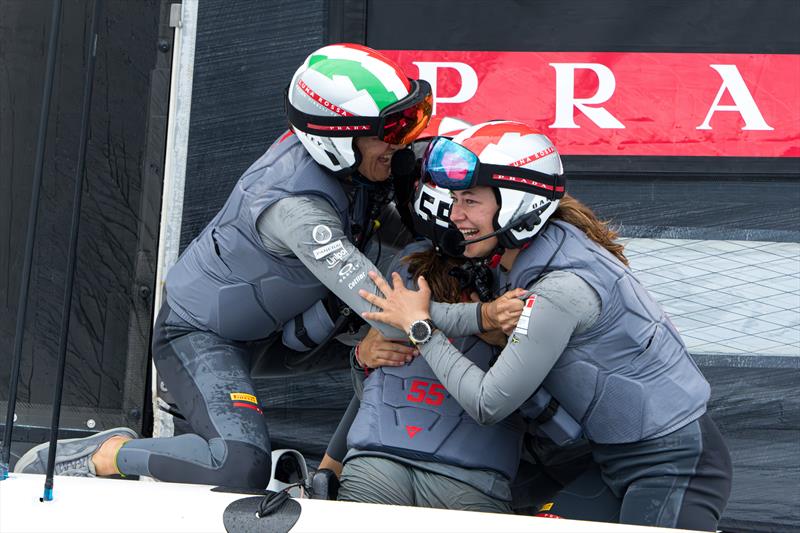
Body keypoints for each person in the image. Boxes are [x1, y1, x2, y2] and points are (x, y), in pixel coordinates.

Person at [14, 43, 444, 488]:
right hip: (200, 336)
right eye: (390, 130)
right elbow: (391, 313)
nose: (403, 142)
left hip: (274, 329)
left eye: (411, 122)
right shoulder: (299, 211)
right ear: (335, 140)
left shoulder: (352, 169)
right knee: (240, 465)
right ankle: (106, 455)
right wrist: (487, 318)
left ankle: (329, 472)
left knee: (392, 339)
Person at [357, 121, 733, 530]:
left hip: (675, 467)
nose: (456, 214)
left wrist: (420, 329)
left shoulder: (559, 288)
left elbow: (488, 402)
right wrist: (407, 314)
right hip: (615, 462)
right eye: (454, 198)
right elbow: (471, 315)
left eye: (469, 200)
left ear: (518, 203)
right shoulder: (529, 250)